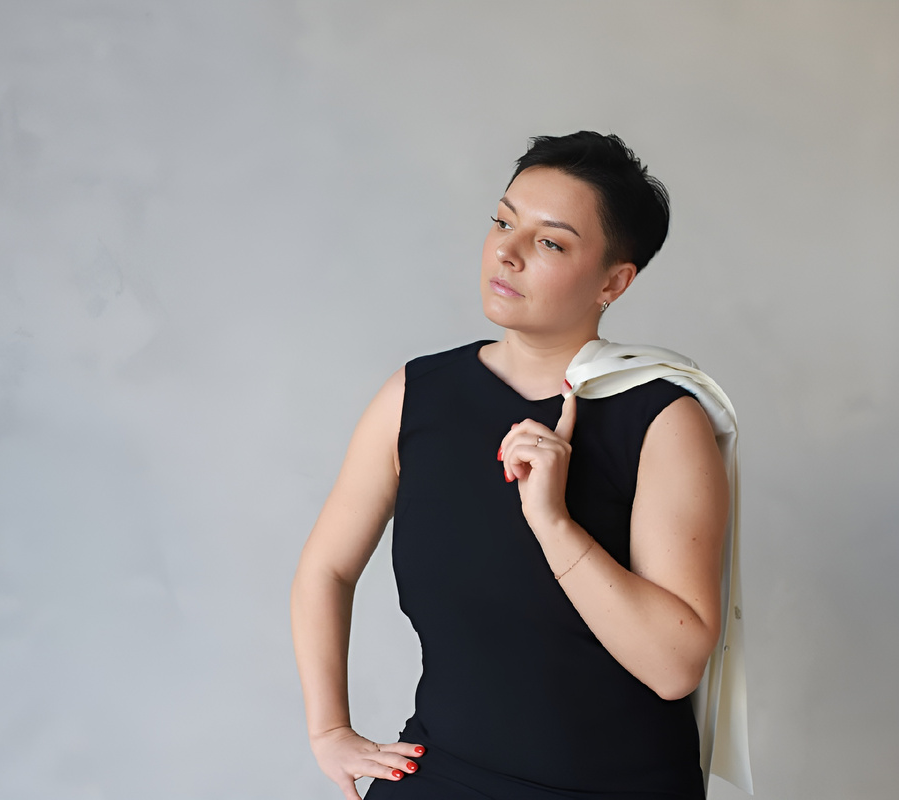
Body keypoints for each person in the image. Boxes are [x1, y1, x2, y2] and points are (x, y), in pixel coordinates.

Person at [290, 132, 735, 799]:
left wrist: (553, 523)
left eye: (550, 242)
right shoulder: (416, 395)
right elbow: (325, 569)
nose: (507, 251)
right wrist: (329, 729)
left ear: (613, 281)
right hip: (443, 775)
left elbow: (675, 669)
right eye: (503, 222)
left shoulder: (663, 419)